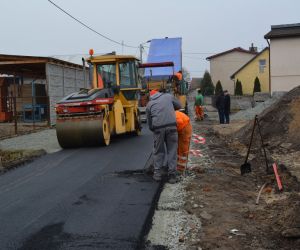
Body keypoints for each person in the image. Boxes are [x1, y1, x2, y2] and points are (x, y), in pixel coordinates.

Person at [146, 89, 182, 183]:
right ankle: (172, 175)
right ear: (159, 93)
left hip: (158, 128)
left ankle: (157, 174)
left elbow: (149, 122)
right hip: (172, 127)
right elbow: (179, 105)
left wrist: (154, 130)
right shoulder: (168, 96)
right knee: (172, 151)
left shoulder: (149, 104)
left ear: (151, 96)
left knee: (158, 151)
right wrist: (169, 108)